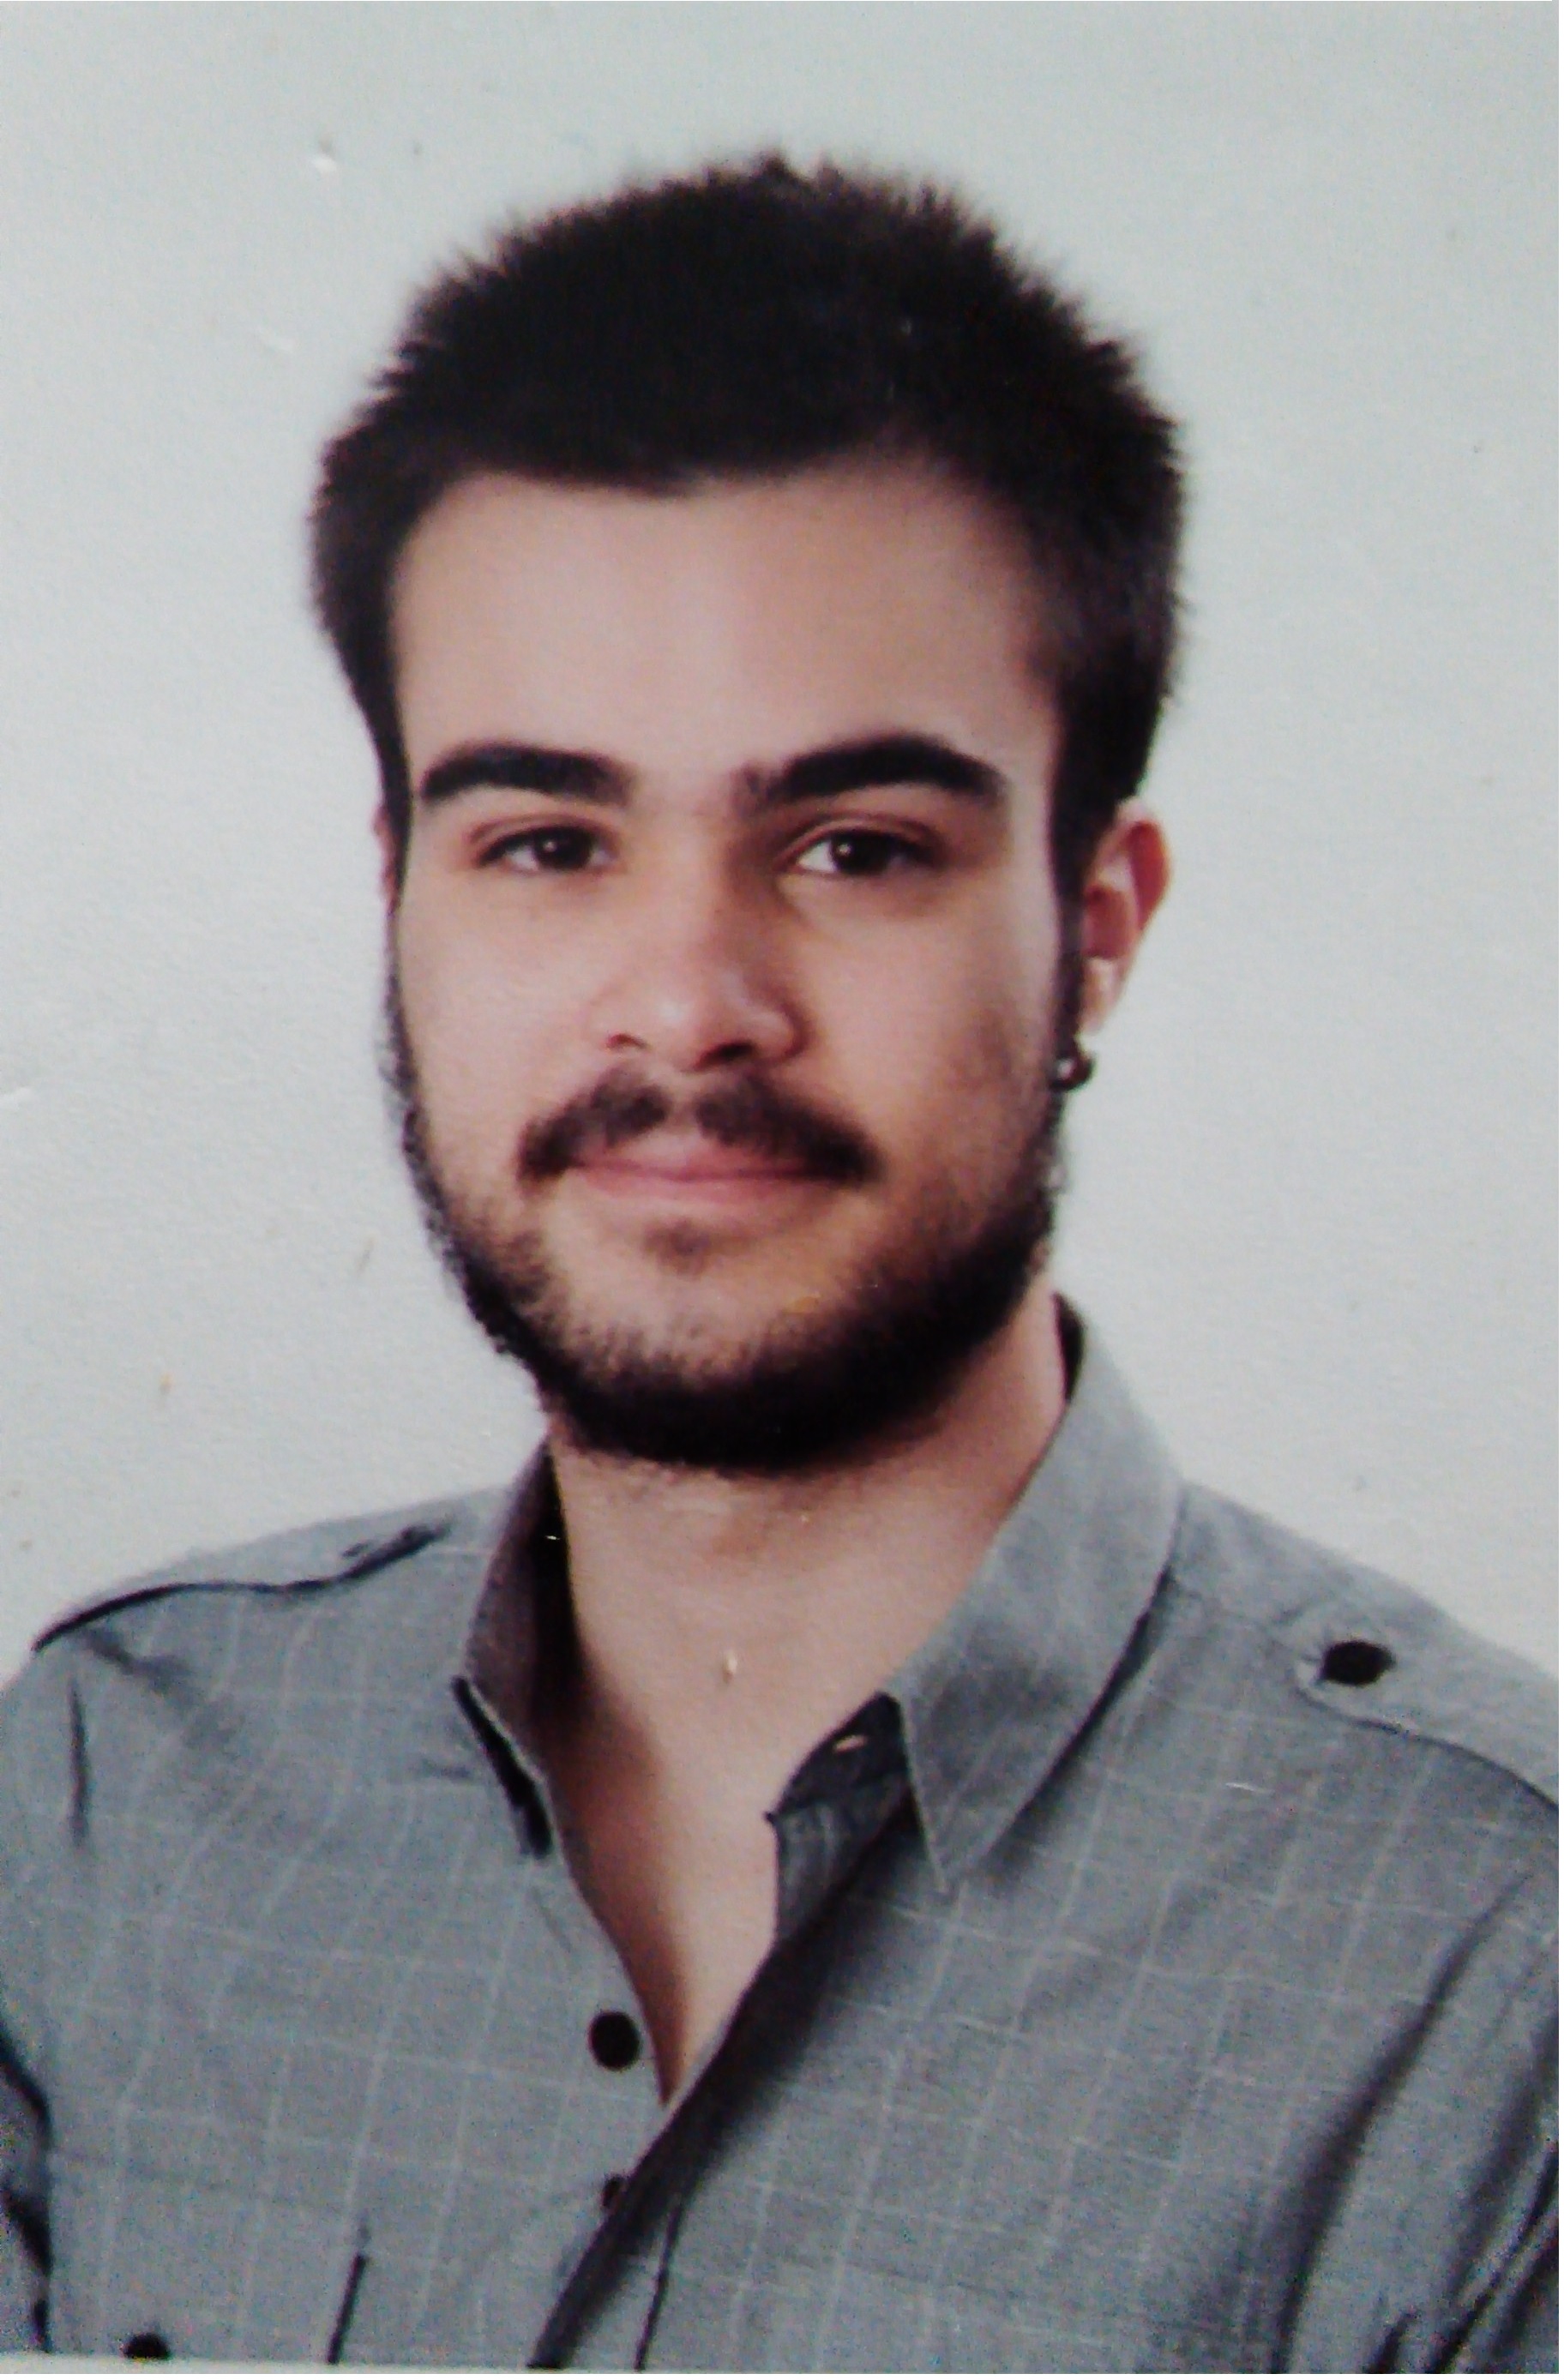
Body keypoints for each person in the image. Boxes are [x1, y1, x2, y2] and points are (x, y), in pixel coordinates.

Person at [0, 158, 1553, 2372]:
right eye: (548, 842)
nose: (688, 1005)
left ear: (1097, 927)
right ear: (399, 893)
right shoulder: (110, 1793)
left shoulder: (1496, 1964)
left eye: (854, 847)